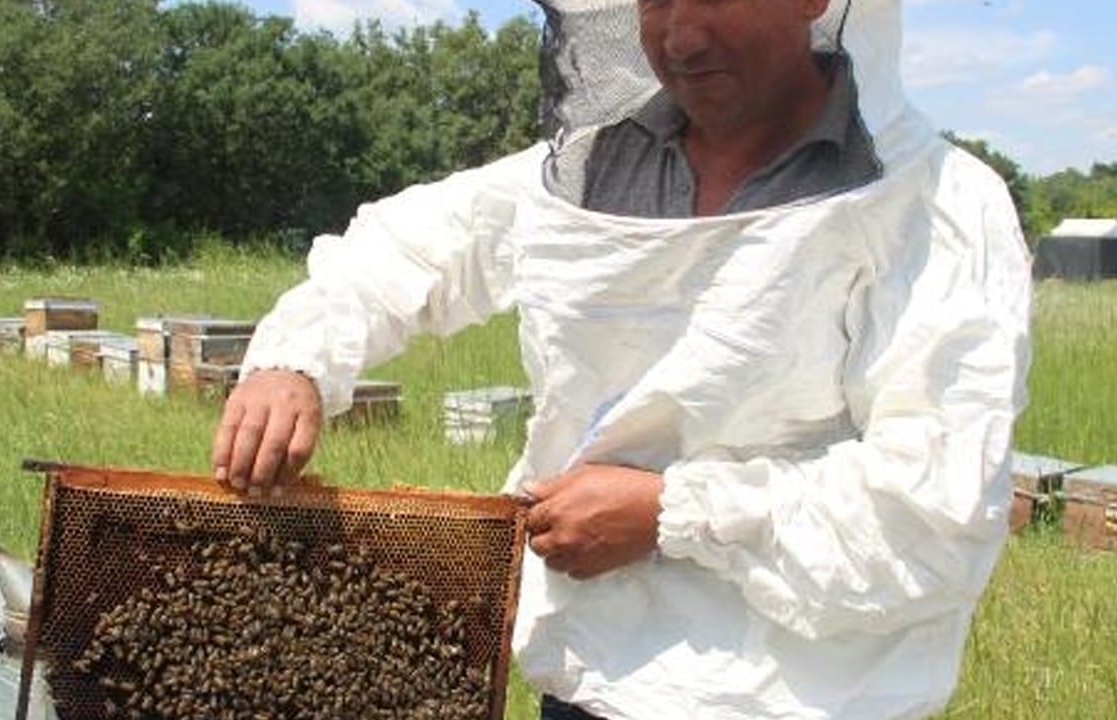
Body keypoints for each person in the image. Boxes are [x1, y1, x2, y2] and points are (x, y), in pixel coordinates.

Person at [212, 0, 1032, 717]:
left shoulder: (937, 205)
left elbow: (933, 512)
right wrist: (297, 357)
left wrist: (668, 514)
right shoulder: (591, 164)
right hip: (588, 680)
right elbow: (405, 249)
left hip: (804, 700)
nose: (679, 35)